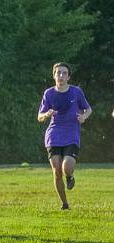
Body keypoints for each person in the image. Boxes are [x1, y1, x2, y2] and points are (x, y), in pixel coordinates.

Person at [37, 62, 91, 210]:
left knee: (66, 166)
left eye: (64, 73)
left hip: (71, 133)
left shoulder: (76, 92)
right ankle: (64, 204)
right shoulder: (48, 93)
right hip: (54, 134)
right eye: (58, 73)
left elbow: (88, 109)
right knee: (56, 171)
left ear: (68, 76)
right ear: (54, 75)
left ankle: (70, 176)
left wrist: (83, 117)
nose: (61, 75)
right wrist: (46, 114)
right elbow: (39, 117)